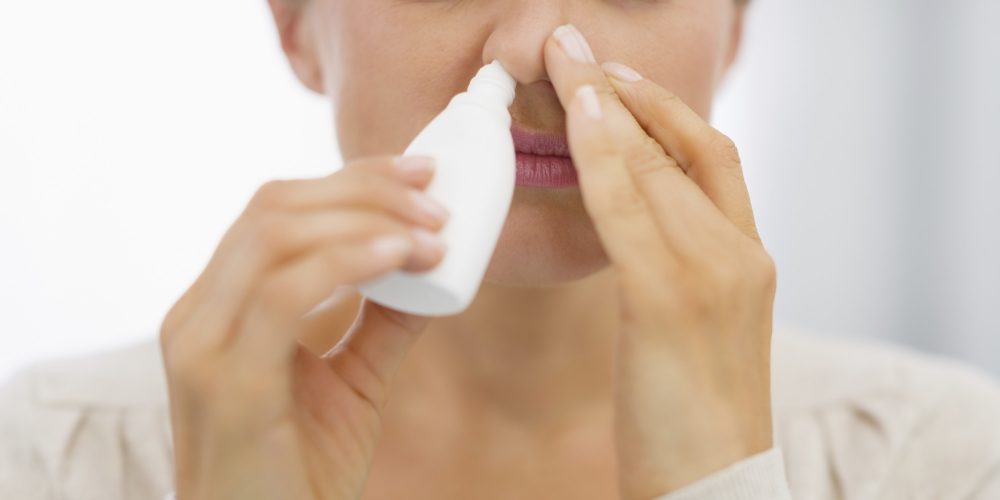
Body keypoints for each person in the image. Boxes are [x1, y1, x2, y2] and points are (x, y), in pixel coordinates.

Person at [2, 0, 1000, 499]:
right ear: (299, 26)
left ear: (736, 25)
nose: (530, 48)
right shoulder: (45, 459)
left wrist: (721, 480)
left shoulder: (939, 460)